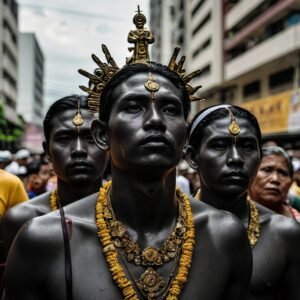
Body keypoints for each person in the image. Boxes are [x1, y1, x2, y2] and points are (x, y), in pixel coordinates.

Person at [5, 10, 252, 300]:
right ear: (101, 134)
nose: (156, 120)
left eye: (171, 109)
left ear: (185, 137)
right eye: (134, 106)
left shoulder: (225, 236)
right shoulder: (44, 239)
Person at [186, 104, 300, 300]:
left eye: (247, 147)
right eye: (220, 145)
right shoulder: (169, 225)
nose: (236, 158)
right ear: (192, 157)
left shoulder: (283, 233)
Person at [0, 95, 109, 269]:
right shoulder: (21, 220)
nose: (79, 150)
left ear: (107, 144)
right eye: (64, 139)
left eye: (90, 138)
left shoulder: (132, 217)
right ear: (47, 151)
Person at [249, 146, 300, 221]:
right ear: (250, 175)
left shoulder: (297, 222)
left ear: (291, 182)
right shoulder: (233, 217)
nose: (275, 179)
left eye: (283, 173)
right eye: (267, 170)